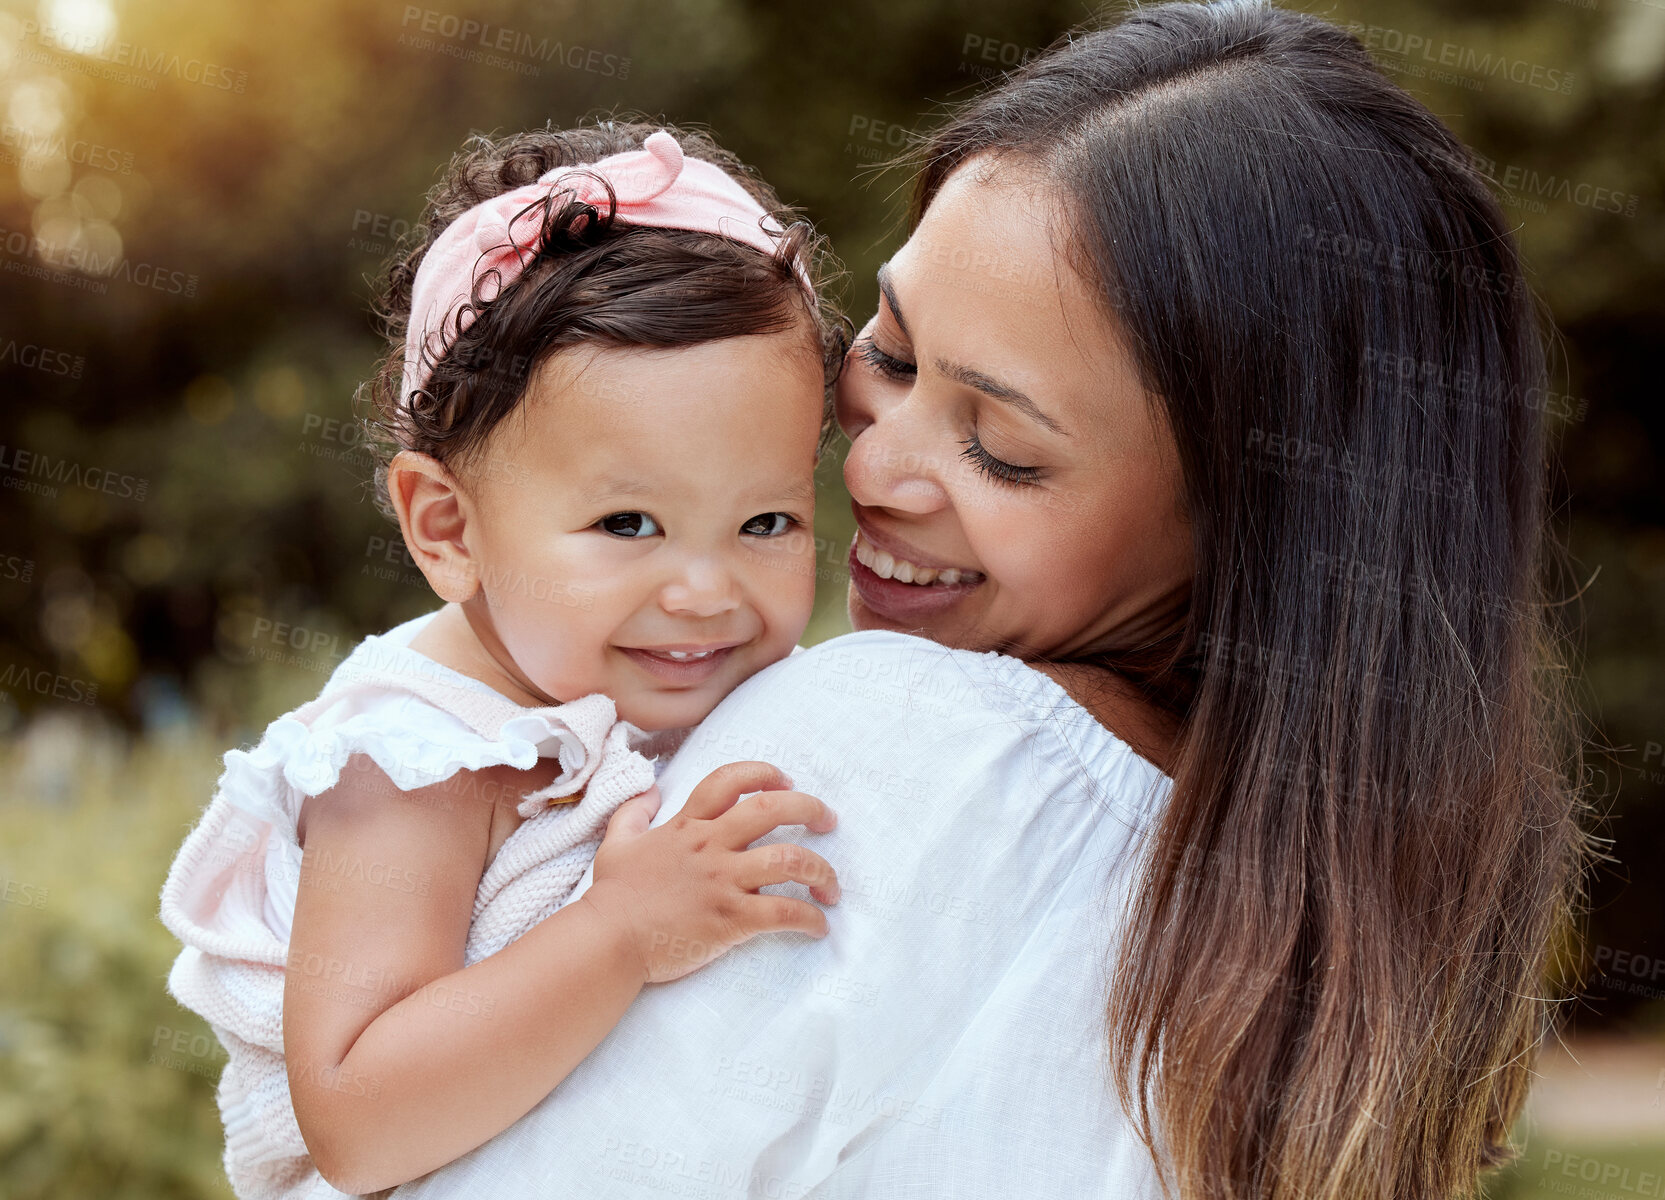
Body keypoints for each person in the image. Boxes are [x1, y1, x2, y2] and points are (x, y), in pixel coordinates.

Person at [395, 3, 1587, 1198]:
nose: (866, 469)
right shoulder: (1332, 916)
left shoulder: (898, 752)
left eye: (1005, 449)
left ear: (1254, 520)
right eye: (894, 355)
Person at [159, 121, 853, 1198]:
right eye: (629, 523)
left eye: (766, 521)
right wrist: (622, 929)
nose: (708, 591)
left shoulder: (638, 684)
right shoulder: (419, 757)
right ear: (446, 527)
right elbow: (356, 1117)